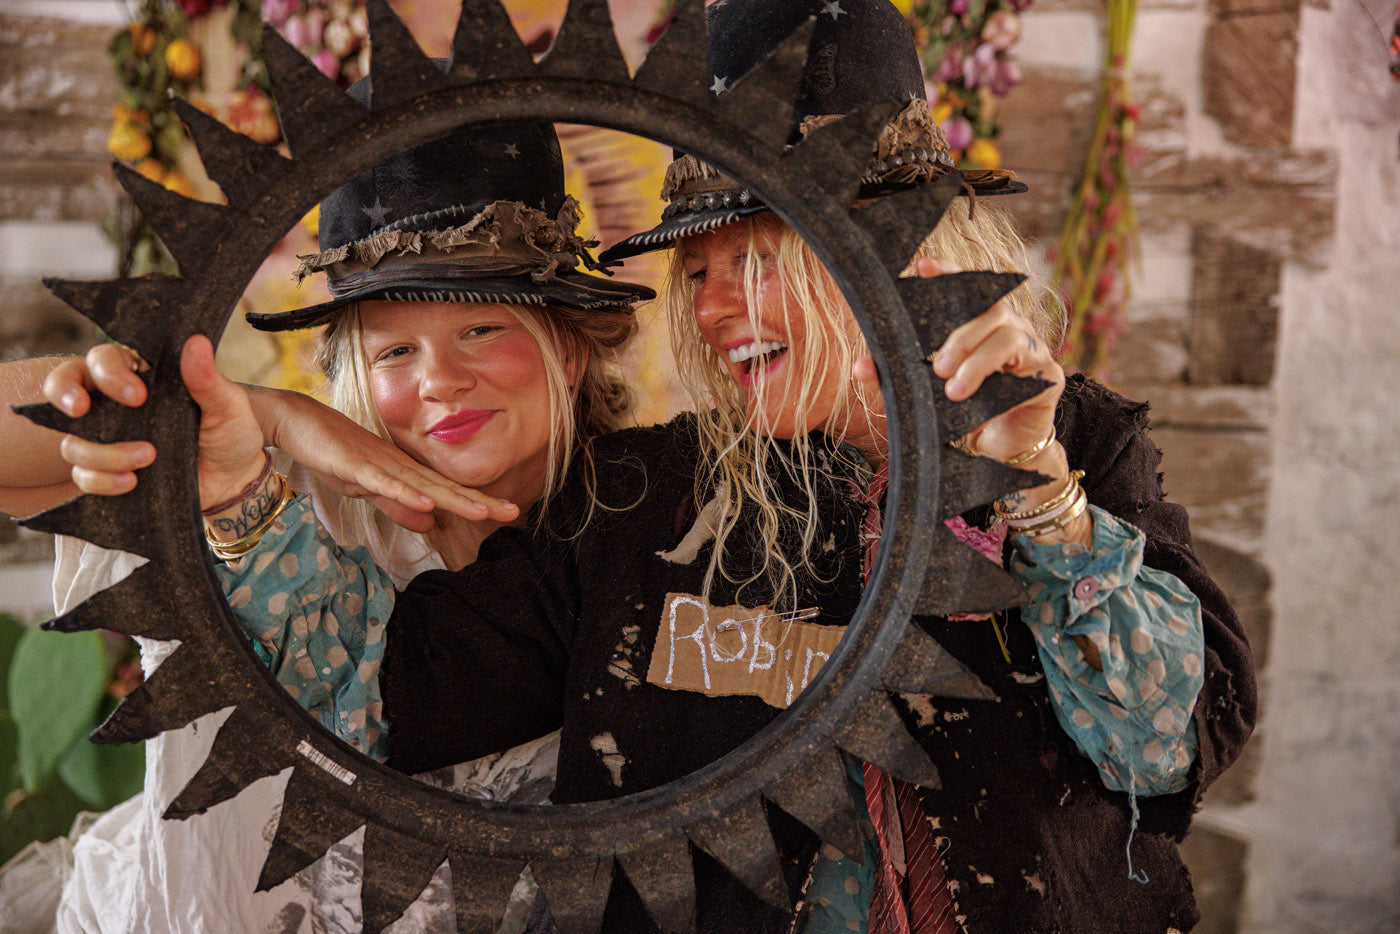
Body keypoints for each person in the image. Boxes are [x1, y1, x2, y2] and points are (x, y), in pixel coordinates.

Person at [53, 3, 1255, 932]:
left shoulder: (1077, 441)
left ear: (897, 241)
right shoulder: (641, 495)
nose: (719, 306)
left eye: (761, 254)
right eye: (702, 265)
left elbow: (1163, 746)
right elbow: (379, 697)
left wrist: (1039, 491)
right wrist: (240, 485)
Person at [3, 94, 651, 933]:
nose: (439, 379)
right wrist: (270, 412)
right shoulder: (268, 504)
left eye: (482, 327)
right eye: (395, 349)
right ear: (353, 372)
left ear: (565, 348)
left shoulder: (648, 534)